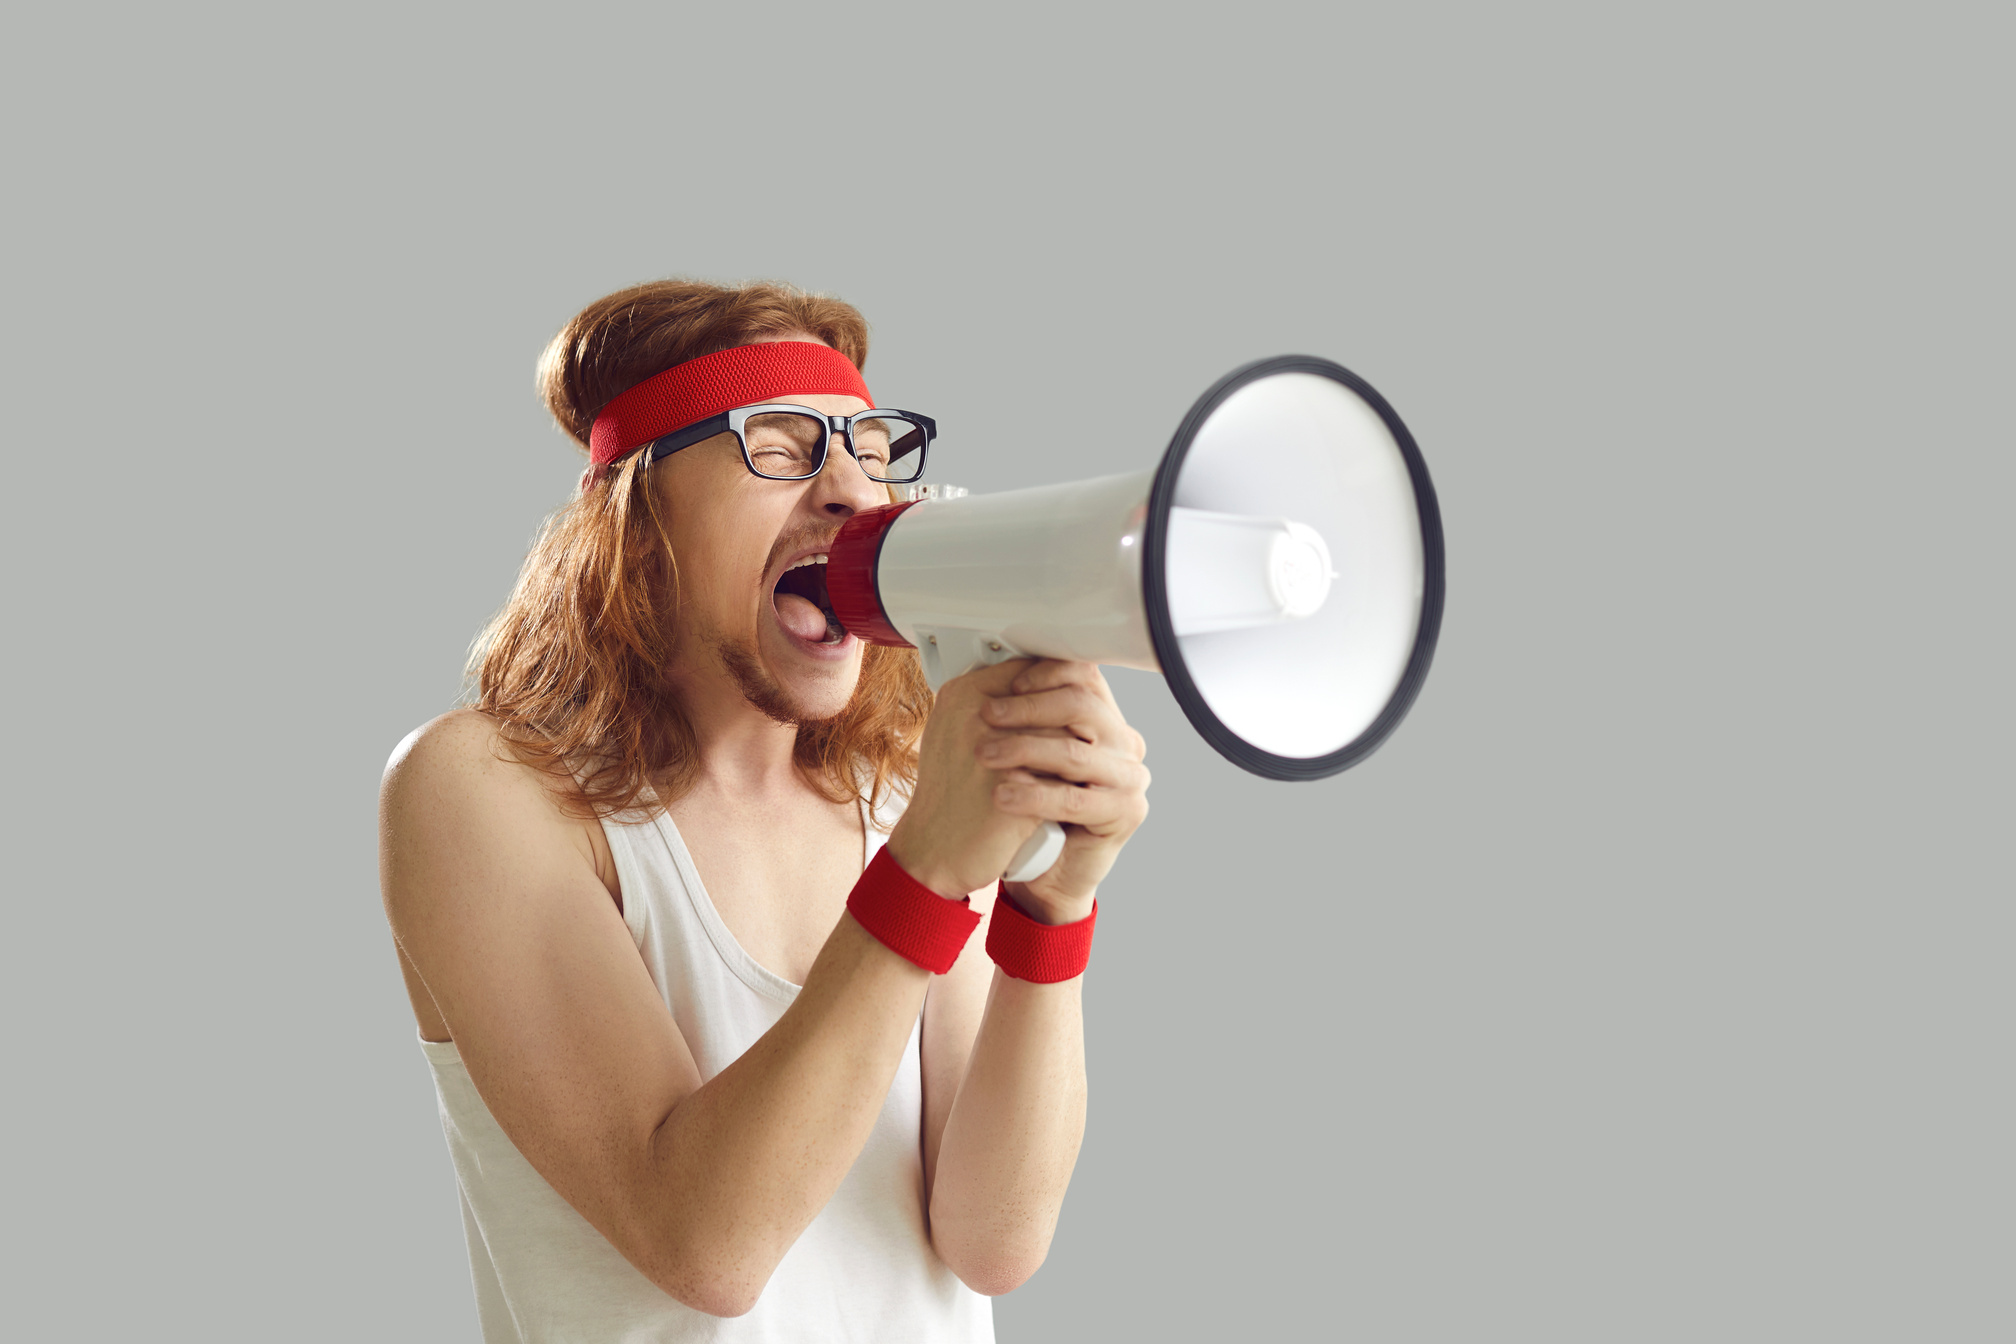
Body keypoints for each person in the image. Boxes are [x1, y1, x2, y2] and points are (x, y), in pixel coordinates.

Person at [378, 278, 1151, 1342]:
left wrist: (1051, 912)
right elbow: (709, 1245)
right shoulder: (486, 792)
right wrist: (926, 873)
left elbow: (991, 1239)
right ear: (636, 510)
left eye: (871, 451)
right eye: (778, 445)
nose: (851, 493)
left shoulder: (897, 795)